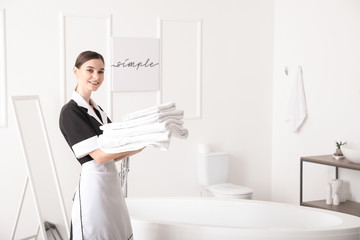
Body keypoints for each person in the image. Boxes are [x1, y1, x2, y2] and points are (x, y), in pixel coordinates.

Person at [59, 51, 142, 240]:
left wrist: (141, 144)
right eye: (90, 70)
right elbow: (100, 156)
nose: (96, 76)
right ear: (76, 71)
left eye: (101, 71)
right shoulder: (70, 112)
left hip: (110, 185)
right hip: (93, 189)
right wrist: (139, 144)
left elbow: (114, 152)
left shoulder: (98, 111)